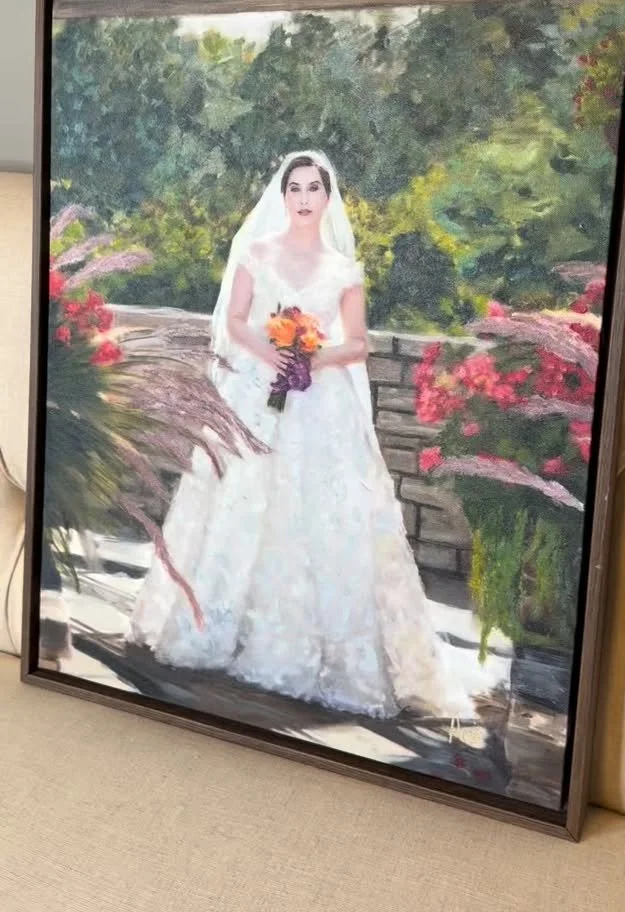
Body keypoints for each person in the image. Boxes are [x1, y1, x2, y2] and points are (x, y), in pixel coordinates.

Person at [128, 151, 472, 720]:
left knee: (324, 514)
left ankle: (315, 654)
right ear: (283, 195)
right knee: (241, 503)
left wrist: (312, 357)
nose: (305, 197)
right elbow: (235, 320)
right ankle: (217, 630)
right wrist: (274, 355)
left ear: (328, 198)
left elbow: (357, 343)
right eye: (296, 188)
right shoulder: (257, 252)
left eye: (315, 188)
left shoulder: (343, 270)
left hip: (322, 404)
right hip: (255, 391)